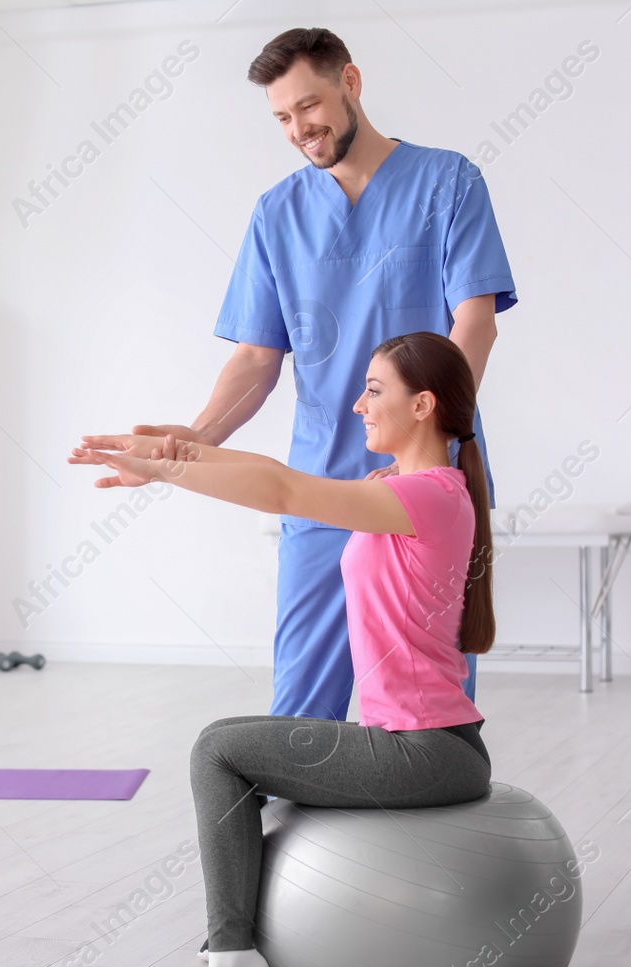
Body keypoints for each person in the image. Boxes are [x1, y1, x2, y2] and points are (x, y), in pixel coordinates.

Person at [69, 332, 496, 967]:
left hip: (427, 751)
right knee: (232, 748)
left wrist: (168, 470)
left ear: (422, 406)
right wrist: (168, 455)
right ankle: (235, 949)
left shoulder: (429, 496)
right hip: (424, 742)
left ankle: (230, 955)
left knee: (219, 750)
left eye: (375, 390)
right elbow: (274, 471)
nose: (359, 404)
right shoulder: (400, 489)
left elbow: (284, 488)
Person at [116, 27, 516, 723]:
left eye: (309, 106)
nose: (300, 129)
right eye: (282, 117)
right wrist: (197, 437)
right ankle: (295, 825)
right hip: (322, 480)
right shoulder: (278, 214)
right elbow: (256, 357)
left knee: (432, 699)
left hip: (424, 488)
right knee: (300, 708)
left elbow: (474, 325)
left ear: (351, 83)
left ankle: (429, 815)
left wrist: (428, 451)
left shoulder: (448, 183)